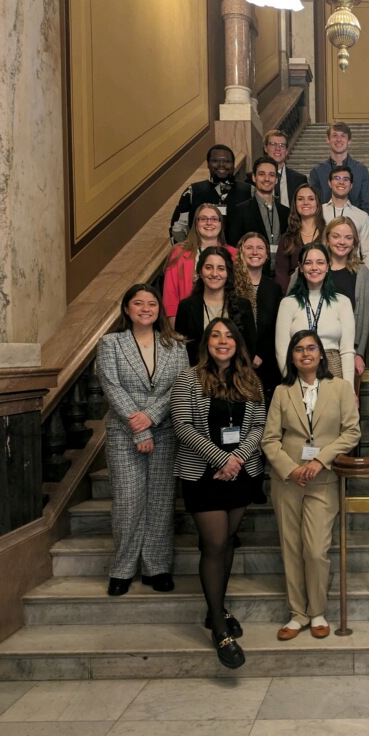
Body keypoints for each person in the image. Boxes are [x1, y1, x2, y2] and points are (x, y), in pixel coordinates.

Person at [170, 317, 267, 669]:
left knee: (226, 542)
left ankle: (217, 609)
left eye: (228, 336)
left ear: (237, 343)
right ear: (206, 343)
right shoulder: (188, 378)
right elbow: (182, 425)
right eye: (215, 335)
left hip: (240, 474)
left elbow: (259, 425)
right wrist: (220, 458)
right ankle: (218, 626)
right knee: (213, 544)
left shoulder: (249, 380)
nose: (222, 341)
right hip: (202, 474)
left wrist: (238, 458)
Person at [262, 330, 361, 640]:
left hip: (324, 479)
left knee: (316, 549)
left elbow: (352, 433)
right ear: (291, 356)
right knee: (291, 547)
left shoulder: (341, 388)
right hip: (287, 481)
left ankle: (317, 610)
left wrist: (320, 462)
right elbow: (269, 439)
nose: (305, 353)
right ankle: (297, 613)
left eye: (311, 348)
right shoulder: (282, 391)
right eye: (299, 349)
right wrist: (291, 470)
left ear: (321, 354)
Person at [97, 284, 187, 597]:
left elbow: (180, 387)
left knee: (161, 502)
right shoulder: (110, 343)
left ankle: (157, 567)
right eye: (138, 303)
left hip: (164, 431)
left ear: (159, 309)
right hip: (124, 433)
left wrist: (150, 418)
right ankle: (122, 569)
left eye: (151, 303)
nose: (146, 308)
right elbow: (112, 386)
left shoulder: (175, 345)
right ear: (127, 309)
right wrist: (139, 427)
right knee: (128, 501)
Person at [275, 243, 356, 383]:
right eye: (308, 263)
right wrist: (291, 381)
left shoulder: (342, 302)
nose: (314, 268)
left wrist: (348, 388)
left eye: (320, 262)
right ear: (300, 268)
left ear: (328, 266)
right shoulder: (288, 304)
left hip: (334, 370)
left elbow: (347, 351)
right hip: (299, 370)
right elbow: (282, 350)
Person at [174, 246, 257, 366]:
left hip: (235, 377)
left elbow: (249, 347)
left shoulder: (243, 306)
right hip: (197, 376)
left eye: (221, 268)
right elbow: (181, 350)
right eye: (208, 267)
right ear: (200, 272)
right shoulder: (186, 307)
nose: (214, 273)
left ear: (228, 273)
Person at [322, 217, 369, 380]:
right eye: (336, 236)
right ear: (327, 238)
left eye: (348, 237)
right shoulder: (313, 266)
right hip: (315, 348)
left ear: (354, 242)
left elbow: (364, 318)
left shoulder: (363, 274)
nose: (342, 242)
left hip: (347, 351)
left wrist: (358, 353)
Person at [234, 232, 283, 402]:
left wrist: (260, 354)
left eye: (260, 248)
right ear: (241, 252)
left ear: (267, 254)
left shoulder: (274, 289)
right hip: (236, 363)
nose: (255, 252)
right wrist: (247, 355)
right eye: (249, 248)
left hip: (267, 364)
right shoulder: (230, 286)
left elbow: (277, 327)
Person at [169, 144, 252, 244]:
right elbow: (177, 228)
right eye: (215, 161)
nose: (221, 164)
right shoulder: (192, 191)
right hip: (201, 256)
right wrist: (188, 251)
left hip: (237, 256)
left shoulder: (249, 191)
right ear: (208, 164)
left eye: (227, 161)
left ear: (233, 164)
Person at [163, 203, 227, 324]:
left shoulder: (232, 254)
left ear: (221, 223)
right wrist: (177, 334)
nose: (209, 223)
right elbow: (170, 298)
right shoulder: (179, 253)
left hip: (223, 321)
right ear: (196, 223)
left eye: (214, 219)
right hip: (188, 321)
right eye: (203, 219)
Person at [226, 156, 290, 251]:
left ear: (276, 179)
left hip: (279, 265)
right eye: (261, 174)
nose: (267, 179)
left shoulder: (286, 212)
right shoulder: (240, 211)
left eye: (271, 175)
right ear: (254, 177)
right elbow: (234, 247)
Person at [308, 121, 369, 214]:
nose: (338, 139)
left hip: (355, 225)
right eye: (335, 135)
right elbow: (314, 205)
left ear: (349, 141)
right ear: (328, 139)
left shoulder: (361, 170)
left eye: (343, 136)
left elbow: (367, 206)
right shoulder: (317, 171)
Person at [321, 164, 369, 270]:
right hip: (322, 273)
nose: (341, 182)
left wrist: (362, 277)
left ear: (351, 185)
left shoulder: (362, 216)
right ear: (329, 183)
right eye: (337, 178)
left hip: (352, 274)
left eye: (346, 179)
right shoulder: (319, 211)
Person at [274, 184, 324, 293]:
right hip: (294, 295)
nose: (305, 202)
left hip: (324, 295)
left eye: (311, 199)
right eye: (300, 199)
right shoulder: (287, 238)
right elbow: (281, 273)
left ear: (318, 204)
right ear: (295, 204)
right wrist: (287, 298)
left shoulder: (328, 235)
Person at [262, 128, 308, 207]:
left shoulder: (299, 180)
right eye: (273, 144)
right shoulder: (253, 179)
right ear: (266, 148)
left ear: (286, 151)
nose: (277, 149)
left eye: (282, 145)